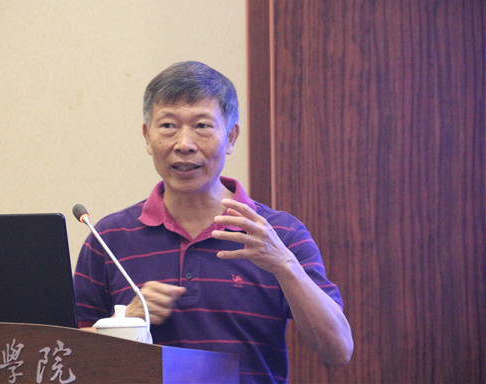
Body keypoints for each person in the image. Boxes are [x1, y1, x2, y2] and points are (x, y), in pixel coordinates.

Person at [73, 61, 353, 383]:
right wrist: (123, 322)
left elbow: (338, 350)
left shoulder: (279, 234)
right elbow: (64, 356)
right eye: (168, 126)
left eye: (202, 126)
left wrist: (283, 264)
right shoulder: (109, 236)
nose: (184, 144)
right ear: (147, 137)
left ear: (231, 137)